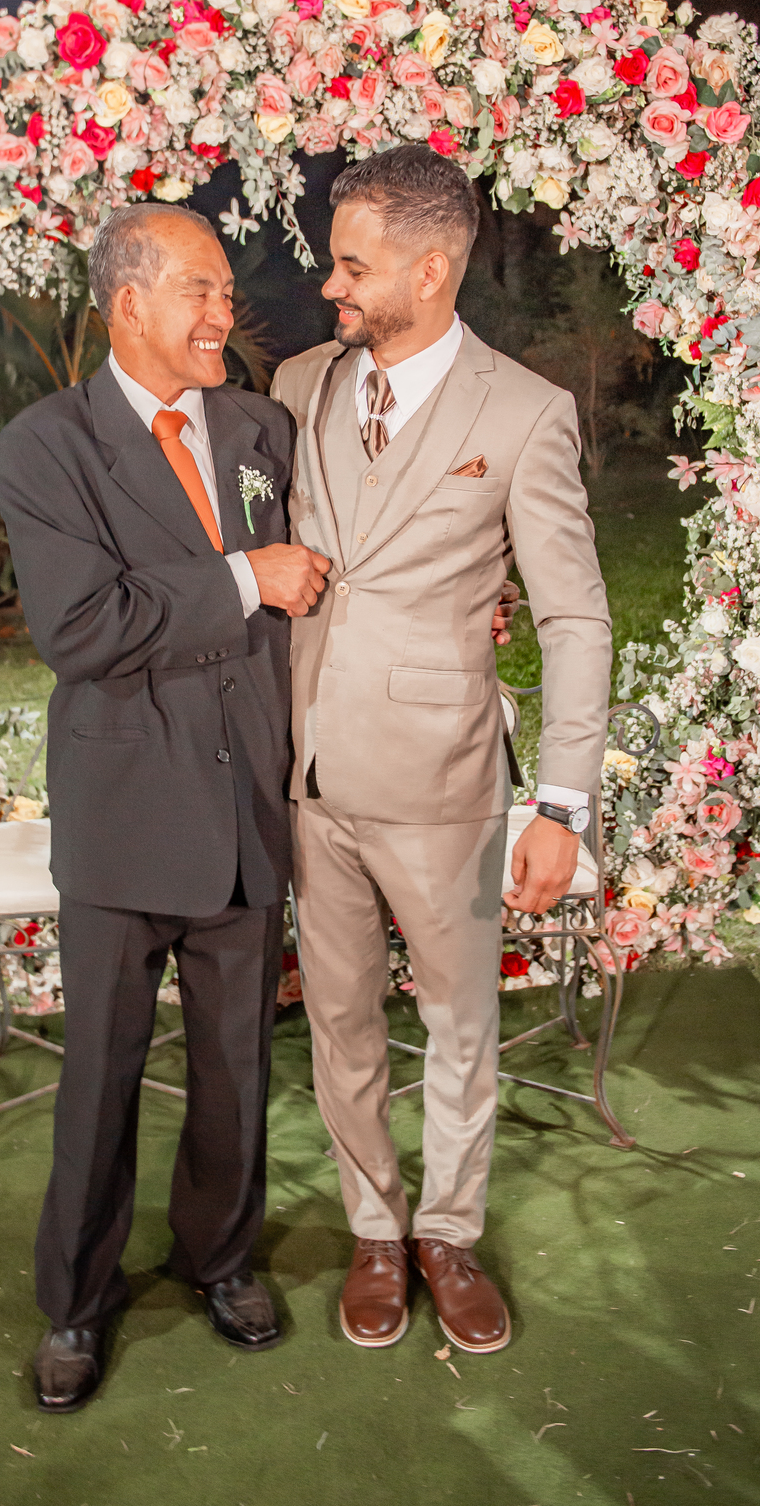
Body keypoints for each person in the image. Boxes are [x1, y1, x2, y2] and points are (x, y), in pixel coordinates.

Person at [271, 145, 612, 1357]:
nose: (331, 286)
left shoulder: (524, 413)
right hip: (308, 775)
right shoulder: (300, 381)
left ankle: (449, 1232)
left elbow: (574, 618)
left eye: (353, 266)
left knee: (462, 1025)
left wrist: (560, 806)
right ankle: (376, 1227)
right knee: (341, 1019)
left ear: (430, 269)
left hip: (448, 785)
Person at [0, 203, 330, 1412]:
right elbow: (83, 627)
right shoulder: (48, 445)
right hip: (126, 810)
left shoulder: (260, 428)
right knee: (101, 1075)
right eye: (201, 289)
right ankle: (77, 1302)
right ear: (127, 302)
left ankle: (221, 1258)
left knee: (237, 1065)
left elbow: (315, 584)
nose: (223, 313)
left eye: (228, 290)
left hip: (245, 803)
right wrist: (244, 577)